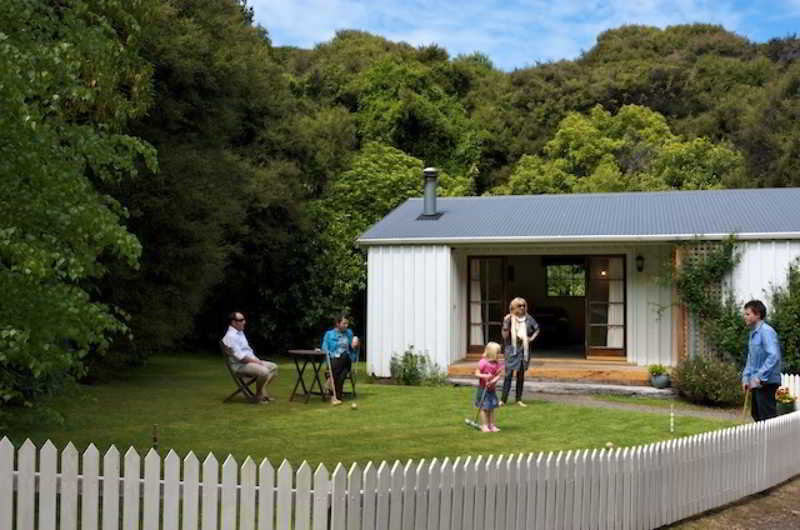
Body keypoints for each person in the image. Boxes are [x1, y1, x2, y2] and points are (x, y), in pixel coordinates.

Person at [222, 311, 279, 404]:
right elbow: (241, 358)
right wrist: (257, 362)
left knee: (274, 367)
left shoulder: (240, 333)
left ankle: (261, 392)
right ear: (233, 322)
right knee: (264, 372)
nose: (244, 322)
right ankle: (259, 396)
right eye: (241, 320)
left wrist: (256, 360)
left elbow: (247, 351)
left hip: (250, 362)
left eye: (244, 319)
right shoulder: (230, 337)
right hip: (240, 366)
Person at [742, 299, 782, 422]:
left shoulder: (766, 331)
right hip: (756, 383)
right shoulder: (753, 333)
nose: (745, 317)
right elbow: (751, 357)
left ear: (758, 314)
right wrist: (746, 377)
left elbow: (773, 356)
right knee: (757, 415)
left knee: (767, 418)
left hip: (767, 383)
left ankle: (773, 441)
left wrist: (759, 377)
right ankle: (764, 441)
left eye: (748, 314)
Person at [500, 297, 540, 407]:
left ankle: (518, 399)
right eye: (519, 305)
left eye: (524, 305)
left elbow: (537, 329)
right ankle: (503, 400)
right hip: (511, 351)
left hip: (524, 351)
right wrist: (505, 323)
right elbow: (504, 336)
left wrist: (531, 338)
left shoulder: (528, 318)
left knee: (520, 376)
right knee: (508, 375)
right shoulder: (509, 319)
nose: (522, 307)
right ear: (513, 307)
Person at [321, 316, 360, 406]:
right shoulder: (329, 334)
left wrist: (356, 344)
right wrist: (327, 352)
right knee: (341, 376)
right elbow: (324, 347)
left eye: (347, 323)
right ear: (337, 324)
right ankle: (335, 397)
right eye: (344, 323)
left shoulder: (349, 333)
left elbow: (353, 348)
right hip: (333, 360)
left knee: (345, 354)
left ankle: (330, 380)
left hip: (346, 360)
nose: (346, 325)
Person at [474, 342, 504, 432]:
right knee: (484, 408)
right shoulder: (483, 362)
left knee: (491, 408)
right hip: (483, 389)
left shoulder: (497, 364)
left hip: (491, 390)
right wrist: (485, 376)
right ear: (492, 353)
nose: (500, 355)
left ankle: (492, 425)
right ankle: (484, 425)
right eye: (498, 353)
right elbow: (477, 373)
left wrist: (492, 381)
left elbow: (499, 375)